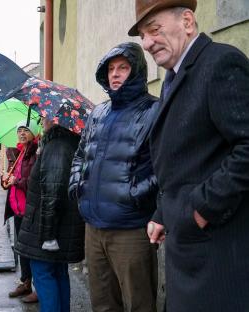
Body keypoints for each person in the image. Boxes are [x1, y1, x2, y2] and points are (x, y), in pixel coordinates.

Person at [129, 0, 249, 310]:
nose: (146, 43)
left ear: (187, 21)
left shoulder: (220, 63)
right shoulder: (173, 76)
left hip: (218, 256)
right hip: (188, 247)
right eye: (142, 35)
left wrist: (201, 209)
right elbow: (185, 162)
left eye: (154, 30)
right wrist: (162, 214)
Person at [69, 42, 159, 311]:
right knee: (103, 305)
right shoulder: (97, 112)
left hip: (131, 229)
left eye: (123, 67)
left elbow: (165, 166)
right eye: (111, 69)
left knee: (139, 304)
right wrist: (77, 185)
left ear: (137, 71)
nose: (115, 74)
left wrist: (132, 194)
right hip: (94, 229)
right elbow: (80, 155)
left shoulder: (153, 110)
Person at [15, 117, 84, 312]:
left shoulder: (57, 147)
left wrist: (48, 236)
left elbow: (53, 194)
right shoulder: (64, 144)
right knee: (59, 273)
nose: (41, 121)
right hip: (59, 226)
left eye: (43, 117)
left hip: (47, 230)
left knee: (44, 275)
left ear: (55, 121)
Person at [1, 121, 38, 303]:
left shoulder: (36, 153)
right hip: (17, 210)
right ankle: (25, 282)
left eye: (26, 130)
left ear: (34, 133)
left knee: (32, 250)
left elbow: (34, 182)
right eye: (20, 130)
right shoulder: (19, 152)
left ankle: (38, 288)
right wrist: (6, 180)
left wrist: (18, 181)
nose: (22, 133)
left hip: (29, 210)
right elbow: (13, 178)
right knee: (21, 249)